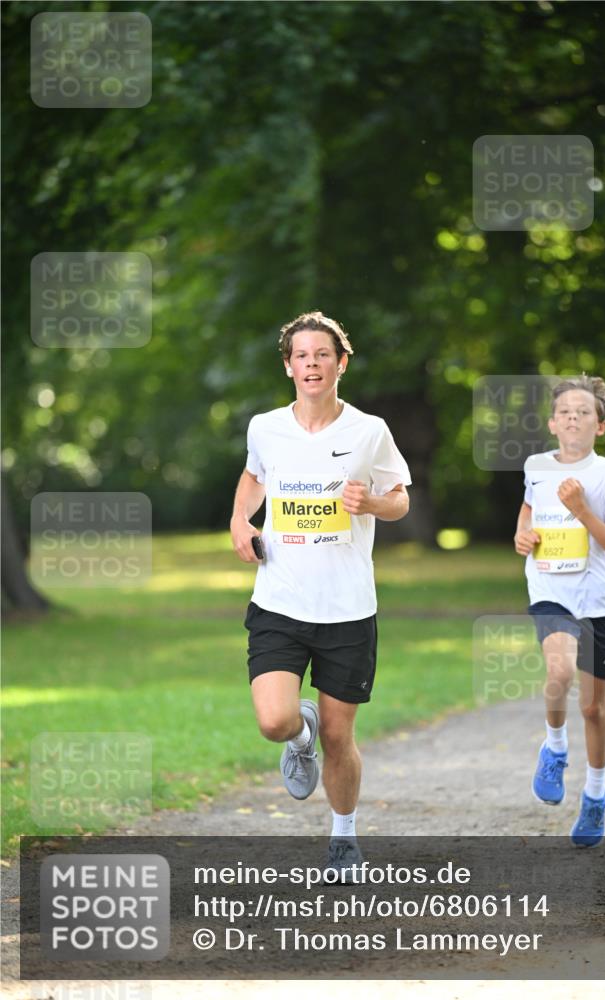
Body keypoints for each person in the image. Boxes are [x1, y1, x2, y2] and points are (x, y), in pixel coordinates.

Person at [230, 311, 411, 875]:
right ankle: (297, 733)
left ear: (341, 363)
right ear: (289, 366)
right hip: (280, 602)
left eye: (322, 355)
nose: (312, 364)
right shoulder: (266, 427)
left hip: (348, 609)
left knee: (341, 736)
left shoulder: (369, 430)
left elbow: (400, 498)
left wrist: (373, 504)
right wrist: (240, 520)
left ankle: (343, 835)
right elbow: (255, 476)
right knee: (274, 722)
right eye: (302, 356)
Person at [514, 375, 605, 847]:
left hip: (597, 601)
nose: (573, 418)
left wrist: (583, 510)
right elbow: (528, 514)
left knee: (592, 706)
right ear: (552, 422)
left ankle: (596, 796)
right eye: (565, 411)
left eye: (584, 412)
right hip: (549, 590)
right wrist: (521, 536)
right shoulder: (535, 466)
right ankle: (556, 748)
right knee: (559, 672)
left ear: (600, 425)